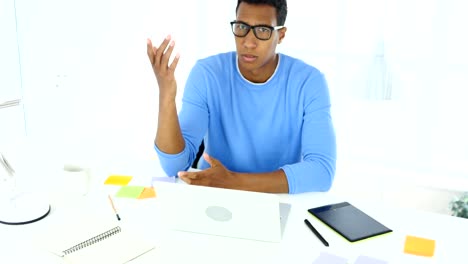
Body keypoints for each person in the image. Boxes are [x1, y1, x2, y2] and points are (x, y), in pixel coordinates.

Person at [146, 0, 336, 194]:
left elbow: (321, 172)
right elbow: (174, 167)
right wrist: (166, 96)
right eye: (242, 27)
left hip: (276, 200)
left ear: (281, 35)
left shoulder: (309, 82)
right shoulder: (207, 74)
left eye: (262, 30)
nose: (248, 42)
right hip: (212, 195)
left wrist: (232, 181)